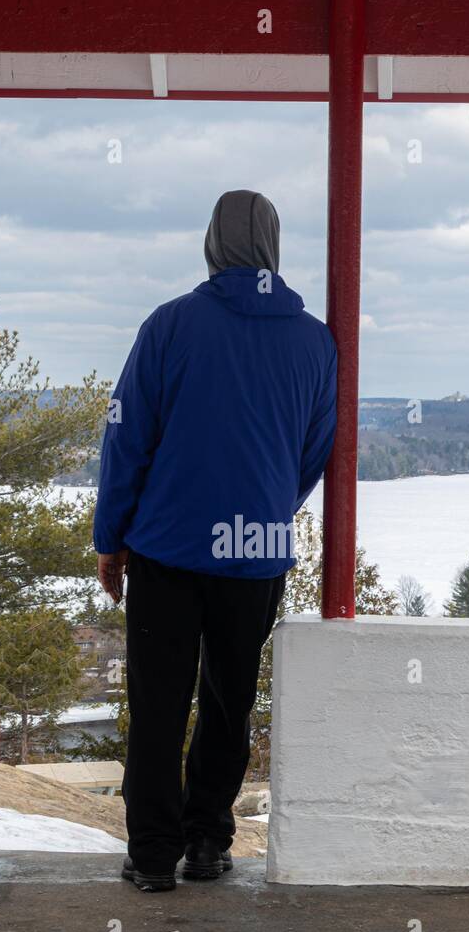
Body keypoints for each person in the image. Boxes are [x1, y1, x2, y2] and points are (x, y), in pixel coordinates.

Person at [94, 190, 337, 891]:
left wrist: (112, 537)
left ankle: (151, 858)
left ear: (211, 242)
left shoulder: (170, 325)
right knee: (231, 699)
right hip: (256, 554)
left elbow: (126, 438)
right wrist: (263, 509)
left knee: (160, 702)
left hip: (168, 551)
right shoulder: (315, 341)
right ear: (273, 247)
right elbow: (311, 452)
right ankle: (207, 843)